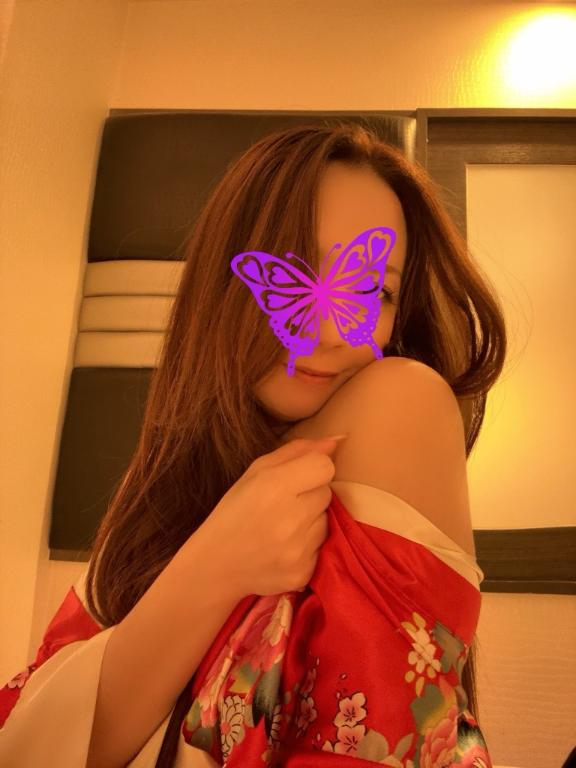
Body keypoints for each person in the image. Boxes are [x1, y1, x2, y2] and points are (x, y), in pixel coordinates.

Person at [0, 122, 506, 767]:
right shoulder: (159, 494)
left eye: (372, 289)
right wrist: (216, 559)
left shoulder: (403, 400)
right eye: (296, 272)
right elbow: (32, 733)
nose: (330, 328)